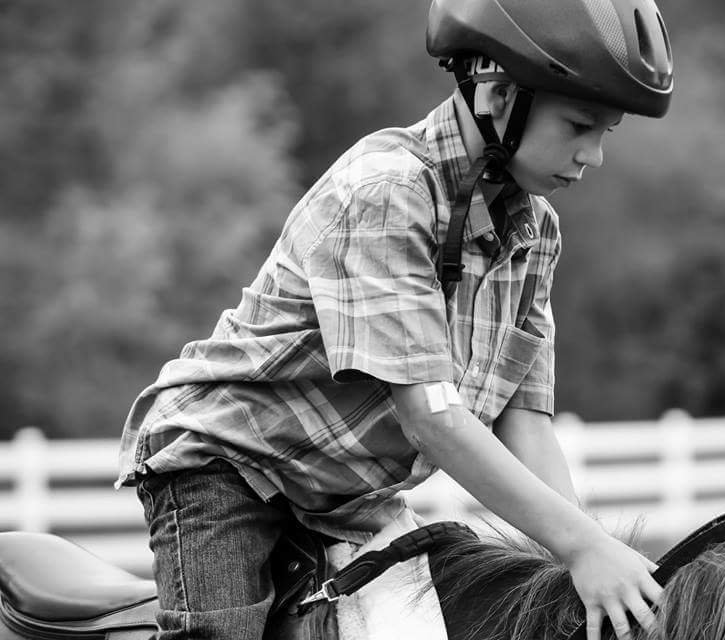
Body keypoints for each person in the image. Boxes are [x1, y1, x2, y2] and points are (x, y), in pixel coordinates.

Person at [116, 1, 674, 639]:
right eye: (579, 125)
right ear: (496, 94)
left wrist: (583, 550)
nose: (594, 155)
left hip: (348, 501)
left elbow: (526, 421)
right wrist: (582, 548)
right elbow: (431, 415)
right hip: (233, 468)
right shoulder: (387, 192)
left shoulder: (534, 230)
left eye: (606, 133)